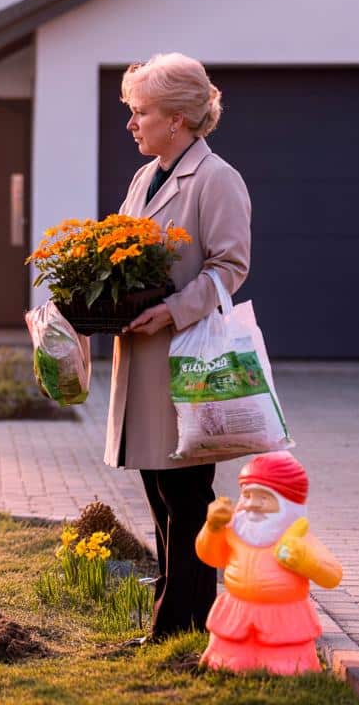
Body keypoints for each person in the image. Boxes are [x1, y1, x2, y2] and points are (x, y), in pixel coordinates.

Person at [104, 52, 252, 641]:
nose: (132, 124)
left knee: (186, 495)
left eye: (141, 112)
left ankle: (184, 624)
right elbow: (118, 248)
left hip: (188, 358)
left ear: (179, 118)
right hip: (143, 358)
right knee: (159, 492)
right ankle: (174, 622)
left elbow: (229, 268)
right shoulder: (146, 176)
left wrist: (173, 309)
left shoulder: (218, 179)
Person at [196, 452, 342, 673]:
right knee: (228, 659)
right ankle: (227, 664)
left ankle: (286, 668)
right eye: (246, 495)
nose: (252, 505)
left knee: (285, 663)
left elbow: (332, 576)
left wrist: (306, 562)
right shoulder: (234, 530)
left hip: (284, 618)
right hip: (237, 614)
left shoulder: (297, 538)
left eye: (263, 498)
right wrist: (212, 528)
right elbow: (210, 556)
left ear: (286, 504)